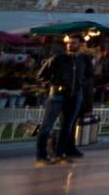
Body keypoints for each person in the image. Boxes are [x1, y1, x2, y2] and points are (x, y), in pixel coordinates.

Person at [34, 33, 95, 165]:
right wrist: (56, 84)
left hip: (74, 96)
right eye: (69, 43)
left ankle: (60, 153)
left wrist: (80, 84)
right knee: (46, 127)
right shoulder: (58, 58)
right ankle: (41, 156)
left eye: (74, 43)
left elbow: (89, 75)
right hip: (57, 96)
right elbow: (41, 76)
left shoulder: (84, 59)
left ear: (80, 44)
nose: (70, 45)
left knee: (67, 126)